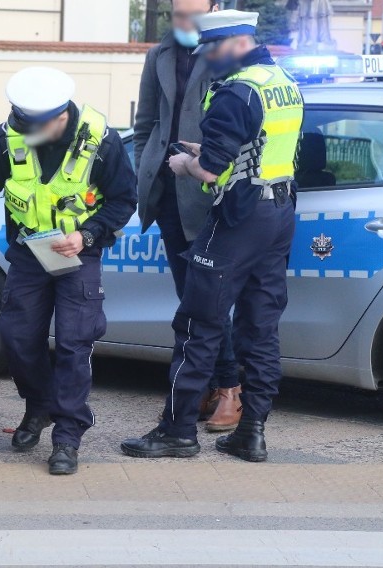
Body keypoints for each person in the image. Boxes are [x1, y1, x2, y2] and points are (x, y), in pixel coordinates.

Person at [0, 67, 137, 475]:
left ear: (60, 117)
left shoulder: (100, 140)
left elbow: (124, 199)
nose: (26, 134)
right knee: (17, 338)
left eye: (35, 128)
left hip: (78, 254)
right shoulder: (12, 134)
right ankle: (39, 405)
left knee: (74, 344)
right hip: (29, 254)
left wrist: (88, 234)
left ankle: (67, 436)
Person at [121, 10, 301, 462]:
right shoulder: (281, 82)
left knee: (197, 322)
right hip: (278, 214)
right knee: (260, 328)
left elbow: (210, 170)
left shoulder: (236, 92)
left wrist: (186, 164)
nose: (209, 59)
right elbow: (261, 146)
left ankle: (177, 431)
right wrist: (215, 154)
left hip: (237, 217)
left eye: (213, 50)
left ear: (236, 42)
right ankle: (252, 433)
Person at [134, 0, 242, 432]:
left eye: (192, 16)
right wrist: (147, 168)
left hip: (210, 192)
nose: (183, 24)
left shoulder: (229, 52)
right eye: (177, 15)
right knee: (191, 297)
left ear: (214, 8)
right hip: (168, 194)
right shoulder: (158, 55)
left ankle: (229, 388)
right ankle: (206, 388)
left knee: (209, 298)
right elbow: (145, 123)